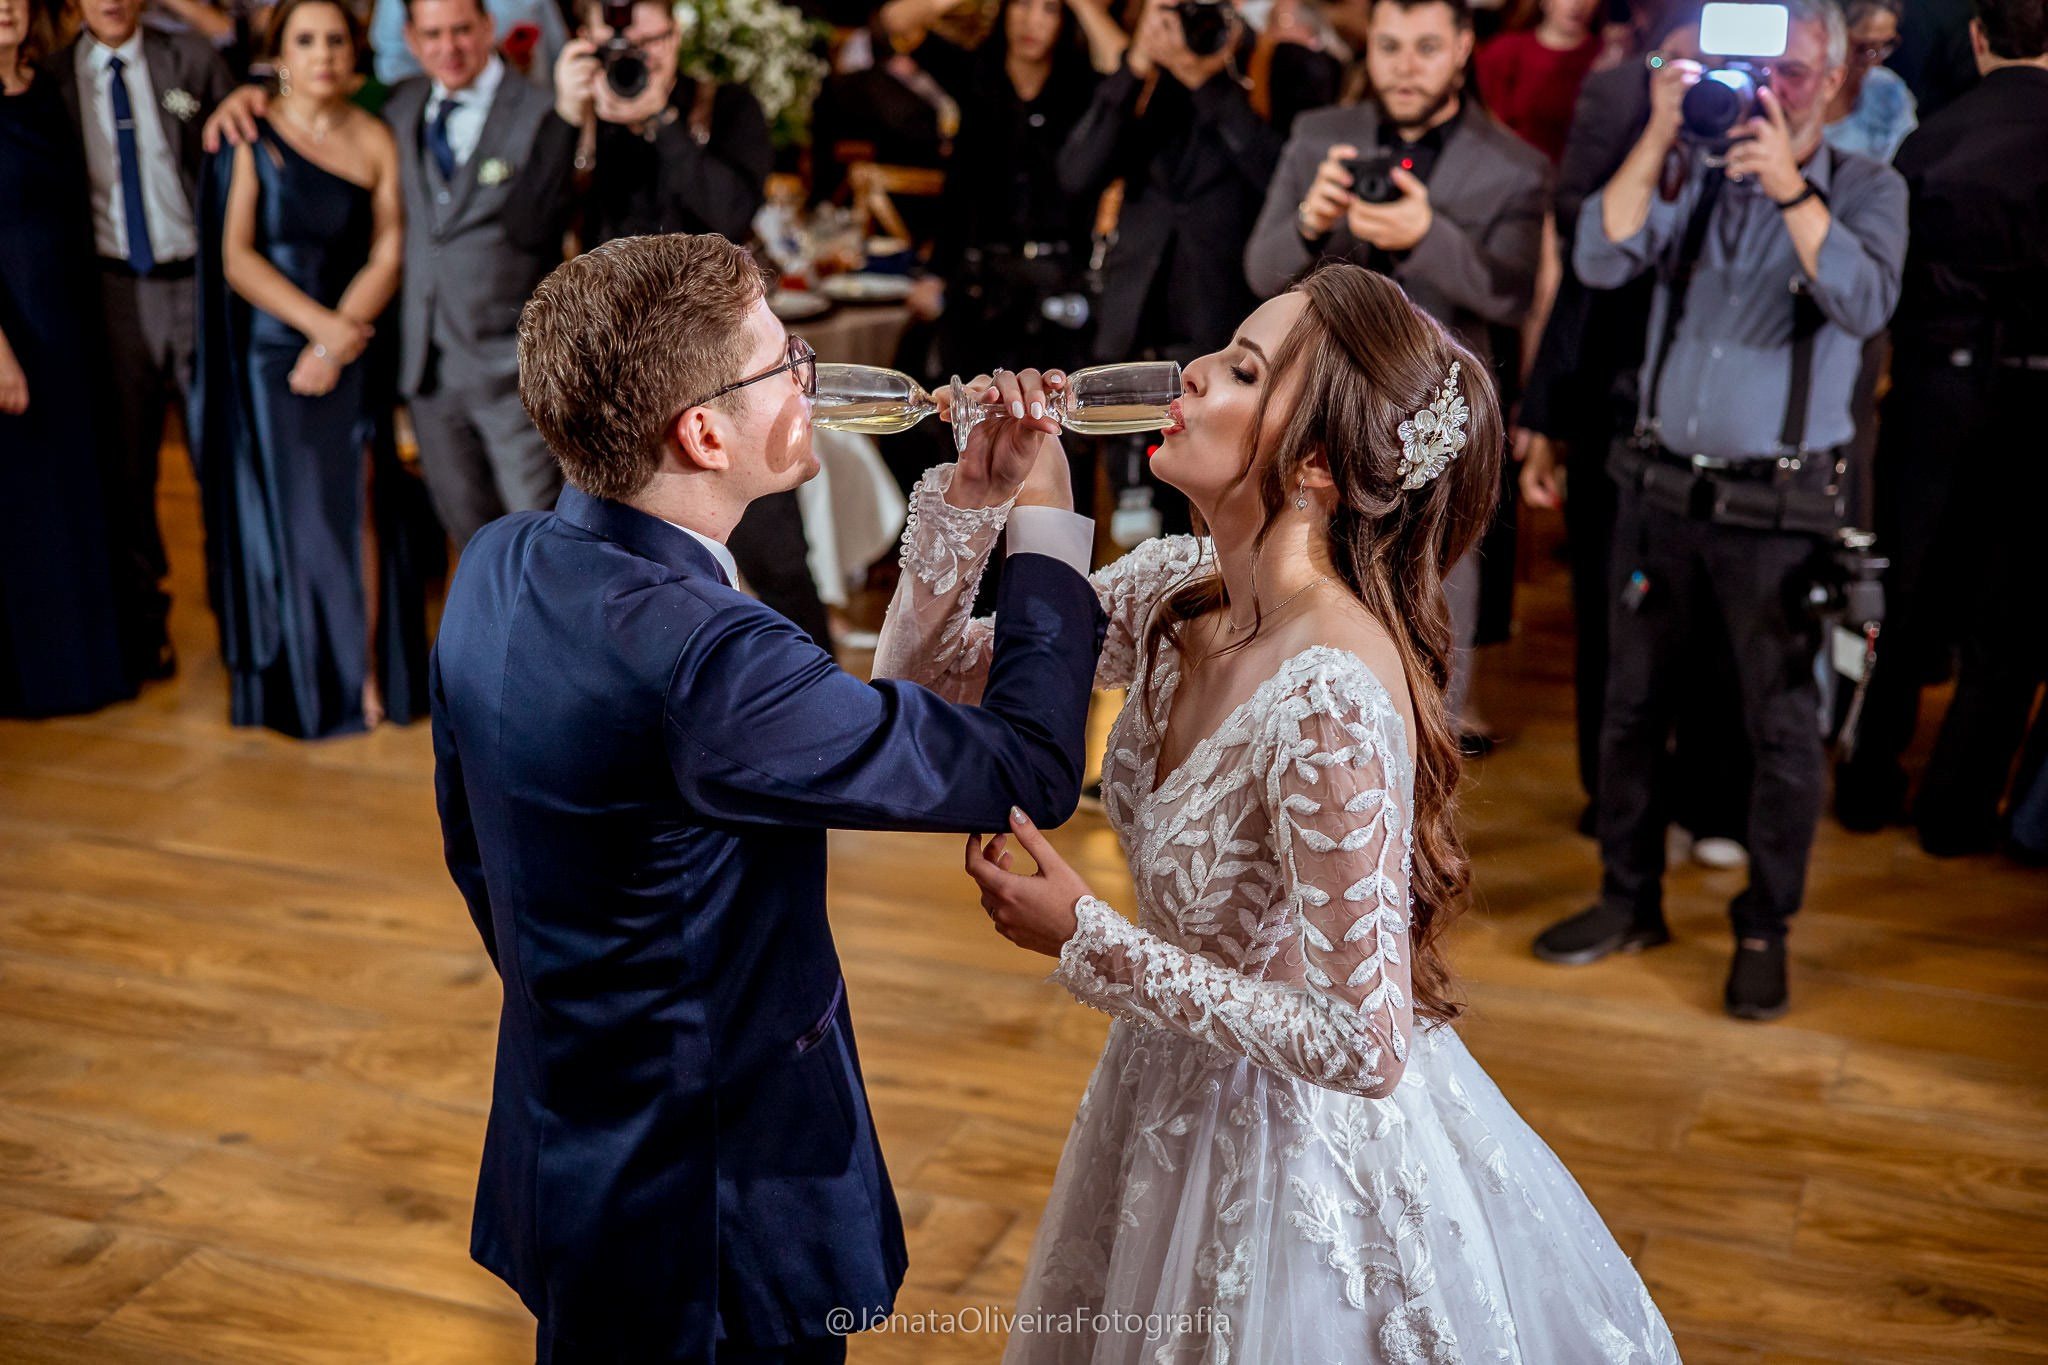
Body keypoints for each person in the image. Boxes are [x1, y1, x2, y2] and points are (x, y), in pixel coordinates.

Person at [872, 262, 1680, 1363]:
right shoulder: (1173, 592)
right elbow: (920, 692)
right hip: (1160, 1092)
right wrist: (981, 497)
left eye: (1243, 370)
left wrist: (1089, 938)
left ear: (1314, 464)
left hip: (1284, 1147)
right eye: (1222, 350)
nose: (1192, 372)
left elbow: (1365, 1043)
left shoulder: (1329, 691)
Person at [431, 231, 1109, 1363]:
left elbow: (474, 853)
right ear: (703, 435)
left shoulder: (500, 559)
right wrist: (1043, 516)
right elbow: (1029, 767)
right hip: (715, 1199)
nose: (811, 375)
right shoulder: (712, 660)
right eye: (785, 358)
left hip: (569, 1141)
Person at [1538, 0, 1908, 1018]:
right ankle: (1627, 899)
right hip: (1659, 492)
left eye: (1792, 73)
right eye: (1753, 72)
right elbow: (1600, 254)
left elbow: (1865, 300)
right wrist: (1661, 126)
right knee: (1629, 709)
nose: (1767, 93)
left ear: (1834, 82)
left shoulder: (1867, 187)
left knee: (1781, 730)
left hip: (1780, 509)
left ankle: (1763, 927)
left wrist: (1788, 186)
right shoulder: (1691, 172)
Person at [1245, 0, 1550, 742]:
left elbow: (1512, 295)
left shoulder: (1515, 165)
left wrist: (1428, 236)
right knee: (1294, 567)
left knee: (1437, 582)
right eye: (1389, 46)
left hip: (1434, 410)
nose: (1405, 66)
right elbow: (1259, 269)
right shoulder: (1319, 135)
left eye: (1425, 47)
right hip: (1315, 399)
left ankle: (1421, 758)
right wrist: (1311, 224)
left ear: (1462, 48)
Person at [201, 0, 580, 550]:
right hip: (423, 373)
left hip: (512, 375)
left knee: (547, 539)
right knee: (473, 541)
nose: (448, 48)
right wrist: (248, 95)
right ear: (411, 38)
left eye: (461, 31)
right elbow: (314, 93)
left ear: (487, 28)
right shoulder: (399, 103)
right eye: (432, 34)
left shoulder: (544, 110)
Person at [1835, 0, 2048, 855]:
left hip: (1931, 392)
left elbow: (1888, 283)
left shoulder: (1929, 139)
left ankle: (1865, 783)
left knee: (1906, 592)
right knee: (2011, 615)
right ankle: (1954, 812)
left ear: (1978, 38)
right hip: (2037, 400)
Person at [194, 0, 407, 737]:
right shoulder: (252, 134)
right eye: (306, 40)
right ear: (280, 54)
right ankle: (307, 678)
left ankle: (361, 672)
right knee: (296, 513)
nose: (324, 54)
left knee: (357, 503)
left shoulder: (375, 136)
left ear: (355, 52)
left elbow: (388, 250)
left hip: (354, 337)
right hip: (275, 350)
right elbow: (235, 257)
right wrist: (319, 333)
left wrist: (337, 342)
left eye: (336, 40)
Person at [45, 0, 233, 683]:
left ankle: (237, 621)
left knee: (220, 461)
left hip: (198, 283)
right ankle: (146, 624)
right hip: (111, 292)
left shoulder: (191, 59)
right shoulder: (52, 79)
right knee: (128, 470)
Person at [0, 0, 135, 717]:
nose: (5, 7)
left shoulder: (51, 85)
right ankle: (38, 680)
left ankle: (93, 668)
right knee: (29, 509)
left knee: (82, 495)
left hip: (73, 325)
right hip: (13, 332)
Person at [891, 0, 1123, 380]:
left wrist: (1082, 4)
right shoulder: (978, 74)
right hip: (978, 286)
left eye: (1049, 9)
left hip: (1059, 285)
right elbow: (897, 21)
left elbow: (1126, 70)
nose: (1032, 21)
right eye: (1023, 4)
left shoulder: (1080, 86)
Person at [1475, 0, 1604, 163]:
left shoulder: (1607, 59)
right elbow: (1484, 123)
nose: (1577, 4)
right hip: (1513, 165)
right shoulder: (1505, 52)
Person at [368, 0, 566, 87]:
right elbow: (392, 62)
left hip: (527, 104)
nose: (449, 45)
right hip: (437, 110)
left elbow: (556, 50)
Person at [1824, 0, 1916, 160]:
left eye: (1886, 45)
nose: (1875, 61)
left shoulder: (1890, 92)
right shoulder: (1800, 87)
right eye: (1863, 48)